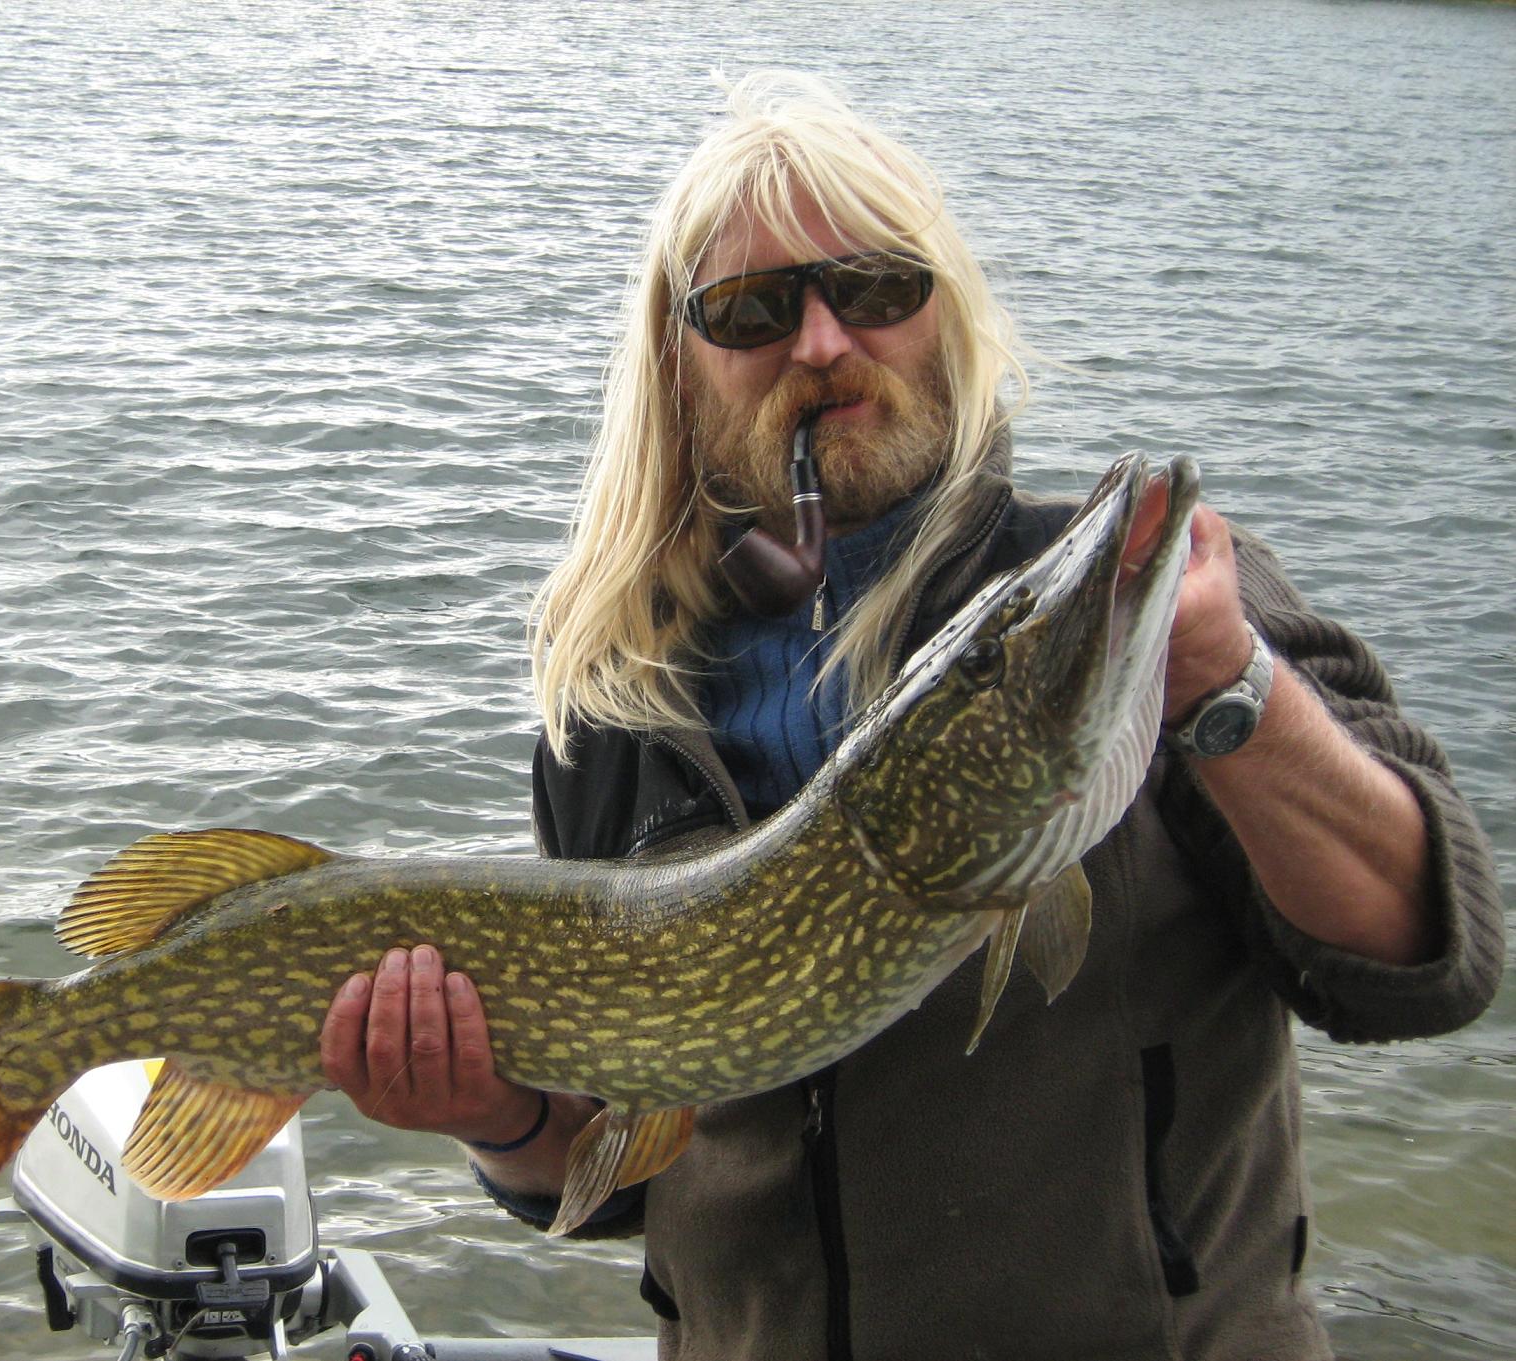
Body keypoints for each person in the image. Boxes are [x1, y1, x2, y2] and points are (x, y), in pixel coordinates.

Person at [315, 73, 1504, 1360]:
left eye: (877, 287)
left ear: (946, 310)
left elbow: (1424, 958)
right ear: (678, 363)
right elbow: (628, 1160)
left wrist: (1227, 691)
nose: (825, 342)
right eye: (754, 309)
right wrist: (492, 1113)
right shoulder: (620, 707)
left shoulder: (1157, 606)